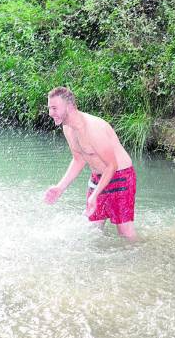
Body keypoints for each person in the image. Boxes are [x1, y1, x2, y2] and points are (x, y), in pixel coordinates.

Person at [43, 87, 137, 239]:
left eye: (54, 108)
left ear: (69, 106)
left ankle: (140, 258)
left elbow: (111, 166)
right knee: (92, 229)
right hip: (98, 177)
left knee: (125, 233)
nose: (50, 113)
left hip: (121, 177)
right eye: (49, 108)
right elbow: (79, 159)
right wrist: (60, 187)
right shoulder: (67, 128)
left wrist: (95, 195)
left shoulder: (93, 128)